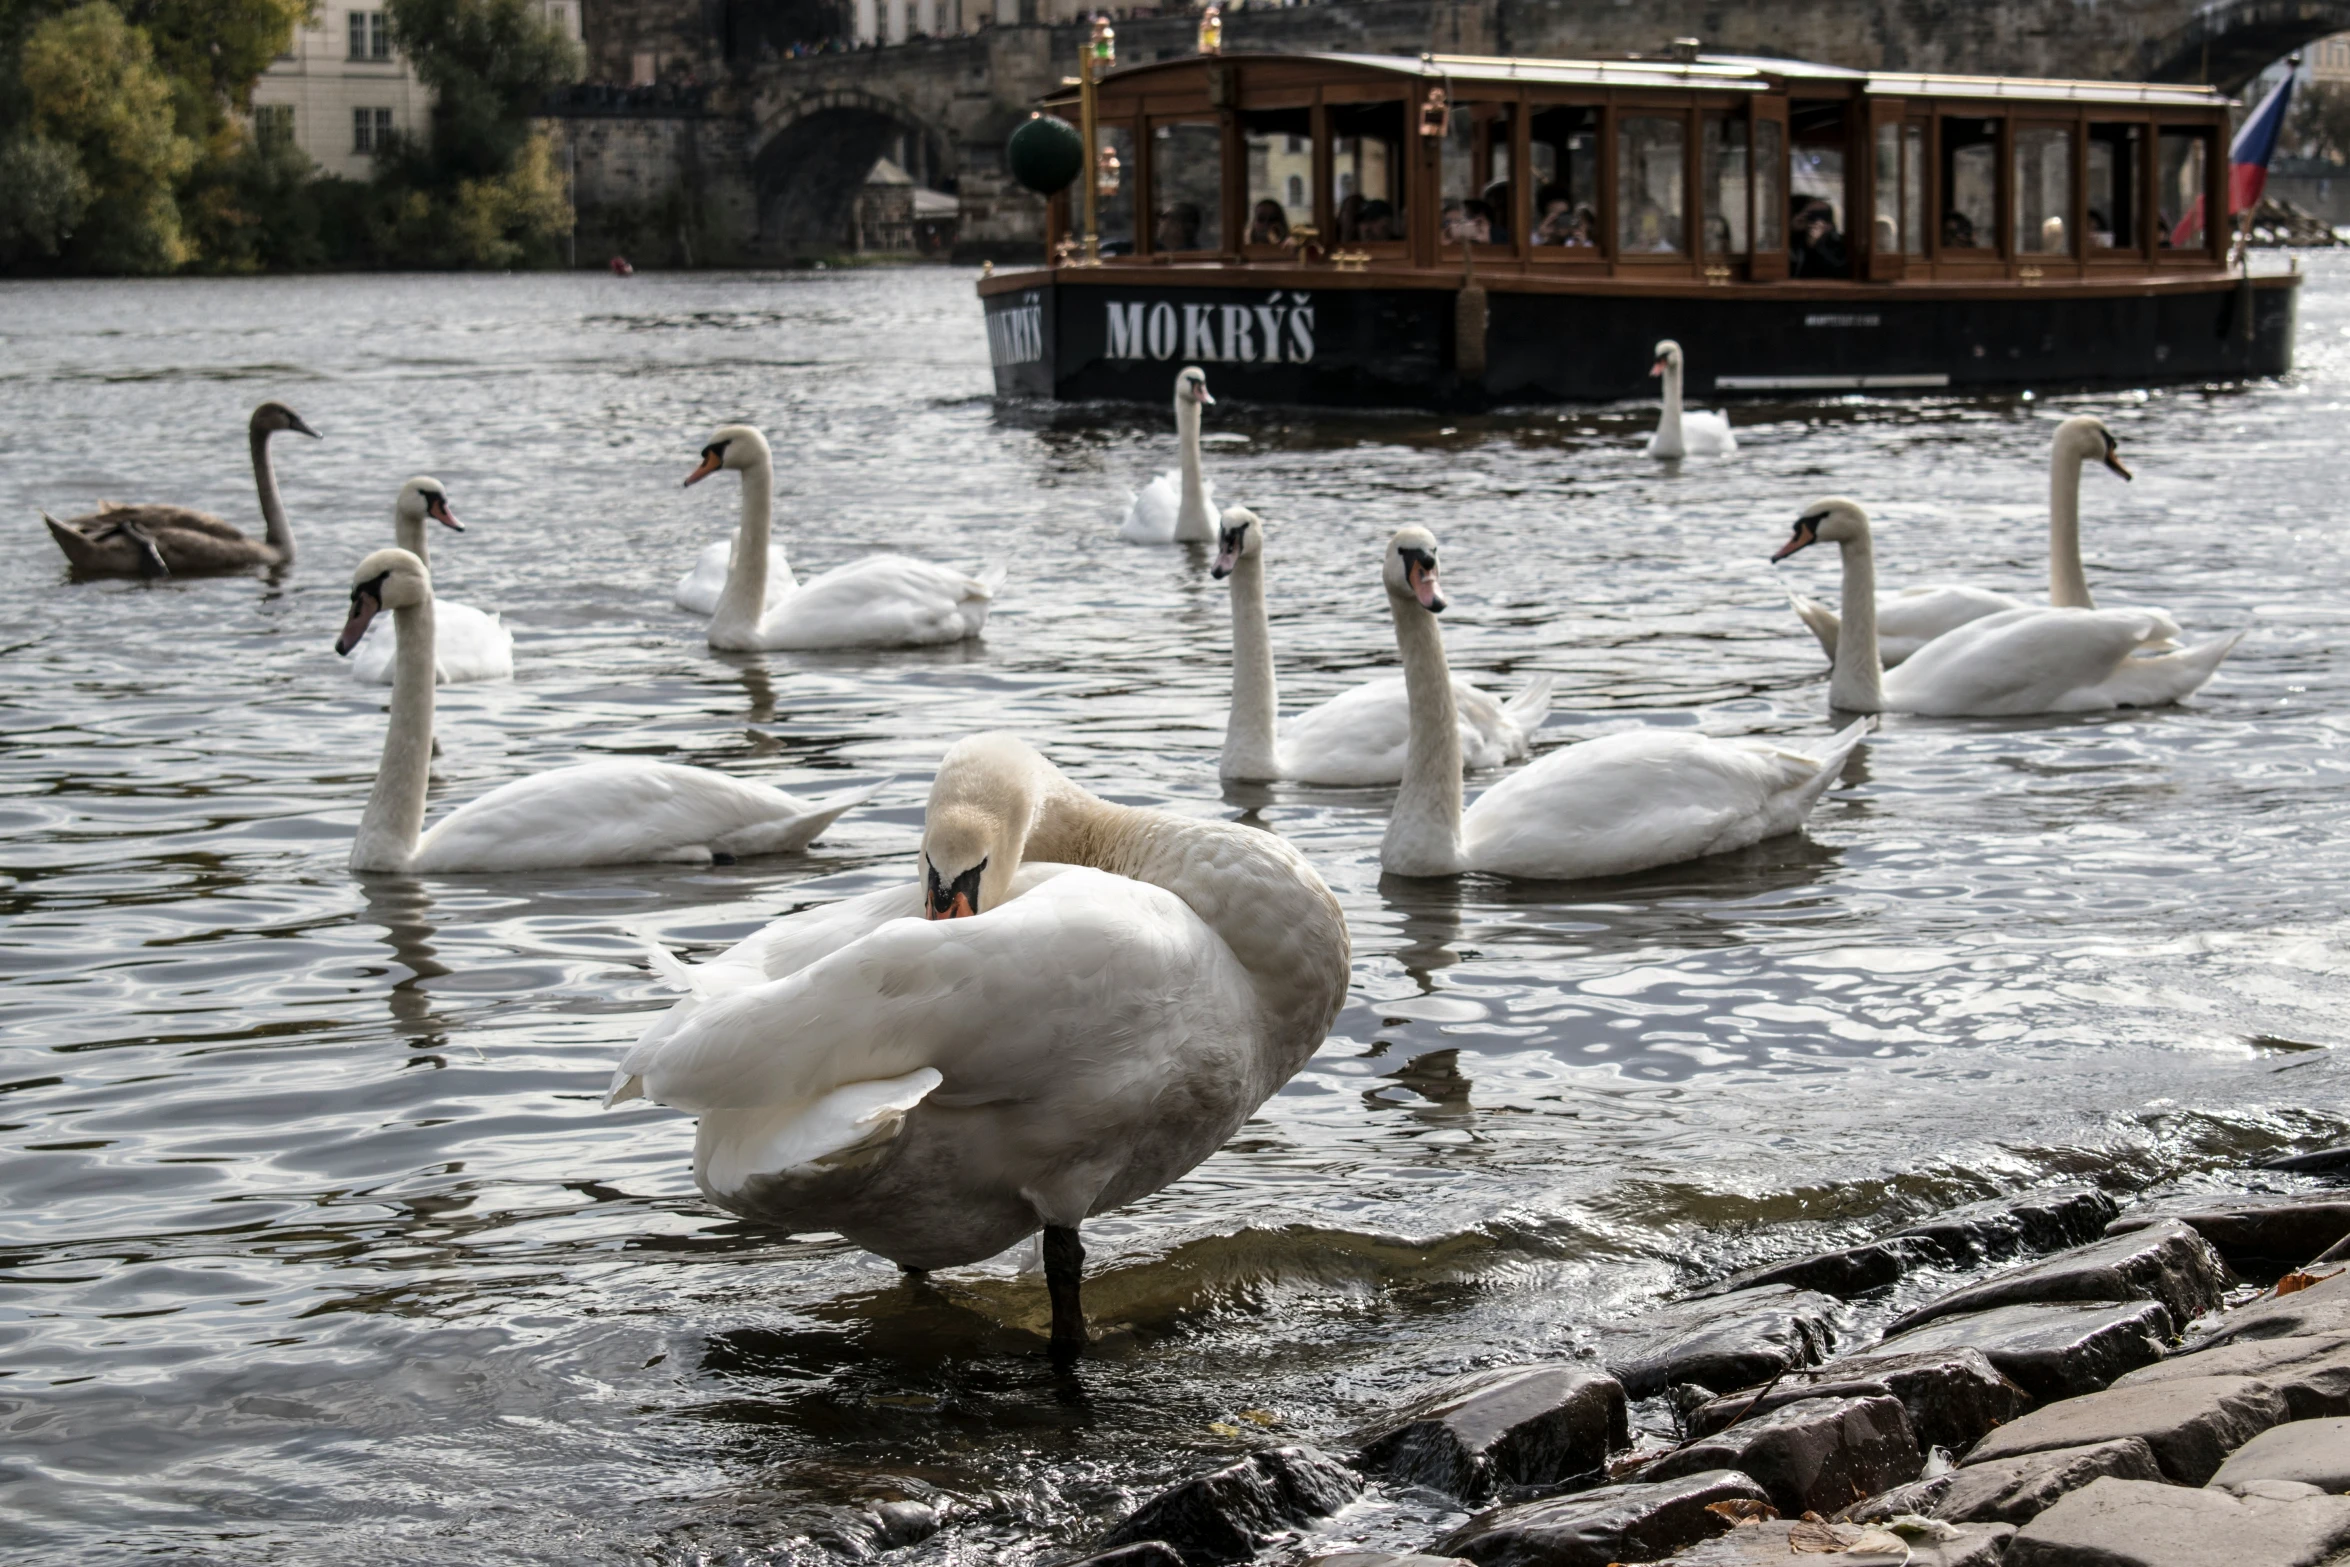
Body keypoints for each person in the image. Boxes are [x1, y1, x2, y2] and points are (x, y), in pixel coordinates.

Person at [1790, 197, 1846, 276]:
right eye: (1811, 215)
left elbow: (1838, 269)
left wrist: (1816, 245)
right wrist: (1792, 228)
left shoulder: (1838, 241)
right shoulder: (1798, 238)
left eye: (1821, 214)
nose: (1815, 220)